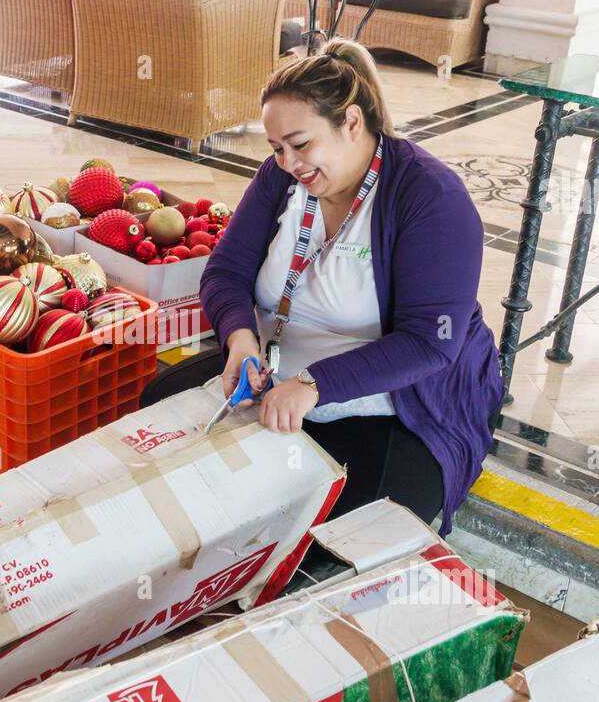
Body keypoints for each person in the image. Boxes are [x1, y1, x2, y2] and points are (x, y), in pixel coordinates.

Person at [141, 38, 503, 536]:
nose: (287, 163)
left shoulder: (431, 197)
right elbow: (225, 272)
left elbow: (431, 341)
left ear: (351, 122)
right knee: (159, 415)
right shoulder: (283, 177)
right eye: (276, 149)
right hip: (277, 376)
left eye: (300, 144)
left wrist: (315, 386)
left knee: (332, 531)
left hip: (395, 399)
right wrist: (240, 340)